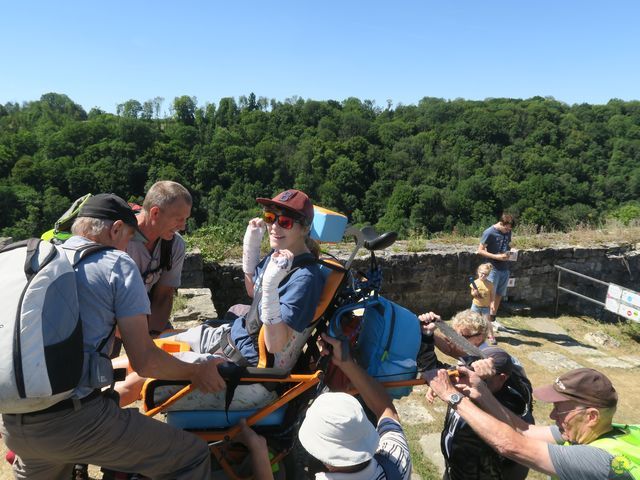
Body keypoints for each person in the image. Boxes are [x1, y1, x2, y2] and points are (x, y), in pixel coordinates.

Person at [0, 193, 225, 480]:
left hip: (16, 424)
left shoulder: (39, 260)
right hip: (76, 421)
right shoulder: (115, 263)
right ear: (116, 229)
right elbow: (145, 362)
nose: (129, 247)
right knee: (190, 455)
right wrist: (197, 371)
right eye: (130, 237)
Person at [115, 189, 325, 409]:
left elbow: (275, 345)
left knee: (141, 377)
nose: (274, 227)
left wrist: (272, 286)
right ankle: (87, 385)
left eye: (285, 222)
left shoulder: (304, 279)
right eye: (270, 218)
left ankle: (91, 419)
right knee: (148, 351)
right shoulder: (280, 257)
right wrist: (251, 251)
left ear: (305, 228)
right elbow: (255, 292)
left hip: (242, 361)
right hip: (227, 337)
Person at [428, 367, 638, 479]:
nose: (553, 415)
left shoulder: (598, 460)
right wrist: (481, 391)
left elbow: (511, 445)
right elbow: (524, 430)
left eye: (561, 409)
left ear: (591, 416)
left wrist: (453, 397)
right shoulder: (613, 432)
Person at [298, 333, 412, 479]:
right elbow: (387, 410)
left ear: (329, 463)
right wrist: (345, 362)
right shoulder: (397, 459)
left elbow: (386, 410)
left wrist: (260, 456)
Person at [437, 347, 531, 480]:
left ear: (502, 378)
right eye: (468, 372)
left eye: (482, 378)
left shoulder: (509, 406)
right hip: (454, 468)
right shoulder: (467, 383)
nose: (468, 379)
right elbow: (437, 371)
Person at [125, 180, 192, 335]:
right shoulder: (121, 240)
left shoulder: (174, 245)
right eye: (178, 219)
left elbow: (163, 295)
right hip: (109, 315)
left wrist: (153, 336)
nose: (183, 227)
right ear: (155, 213)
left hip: (145, 309)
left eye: (185, 219)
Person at [477, 213, 514, 330]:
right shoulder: (489, 232)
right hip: (492, 269)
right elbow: (480, 250)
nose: (508, 230)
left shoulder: (508, 231)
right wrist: (496, 257)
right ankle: (483, 323)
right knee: (488, 295)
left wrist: (509, 252)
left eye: (510, 228)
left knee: (498, 295)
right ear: (501, 223)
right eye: (506, 228)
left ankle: (492, 320)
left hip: (504, 268)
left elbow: (508, 245)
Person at [470, 263, 496, 345]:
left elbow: (492, 295)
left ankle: (491, 336)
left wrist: (492, 304)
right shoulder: (475, 282)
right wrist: (474, 293)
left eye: (486, 274)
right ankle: (472, 333)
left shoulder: (490, 284)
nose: (483, 275)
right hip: (476, 305)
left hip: (485, 307)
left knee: (487, 321)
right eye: (482, 273)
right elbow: (472, 294)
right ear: (478, 272)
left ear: (488, 275)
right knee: (473, 320)